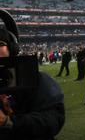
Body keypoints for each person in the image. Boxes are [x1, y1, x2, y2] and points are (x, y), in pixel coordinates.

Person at [0, 9, 65, 139]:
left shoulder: (36, 79)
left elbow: (53, 119)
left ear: (13, 48)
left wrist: (10, 122)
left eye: (0, 44)